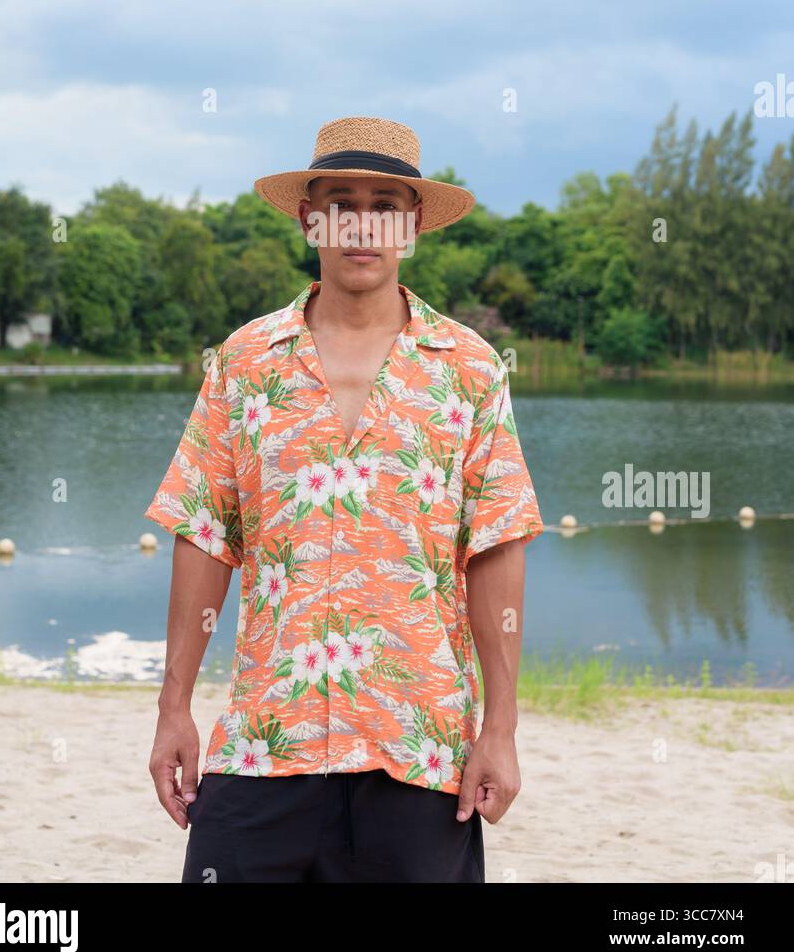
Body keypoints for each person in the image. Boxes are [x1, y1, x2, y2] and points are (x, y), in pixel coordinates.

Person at [143, 115, 544, 882]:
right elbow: (202, 534)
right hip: (267, 741)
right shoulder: (245, 362)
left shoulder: (469, 369)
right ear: (308, 218)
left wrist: (500, 726)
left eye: (384, 204)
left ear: (413, 223)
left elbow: (494, 546)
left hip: (418, 747)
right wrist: (174, 708)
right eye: (339, 201)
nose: (361, 223)